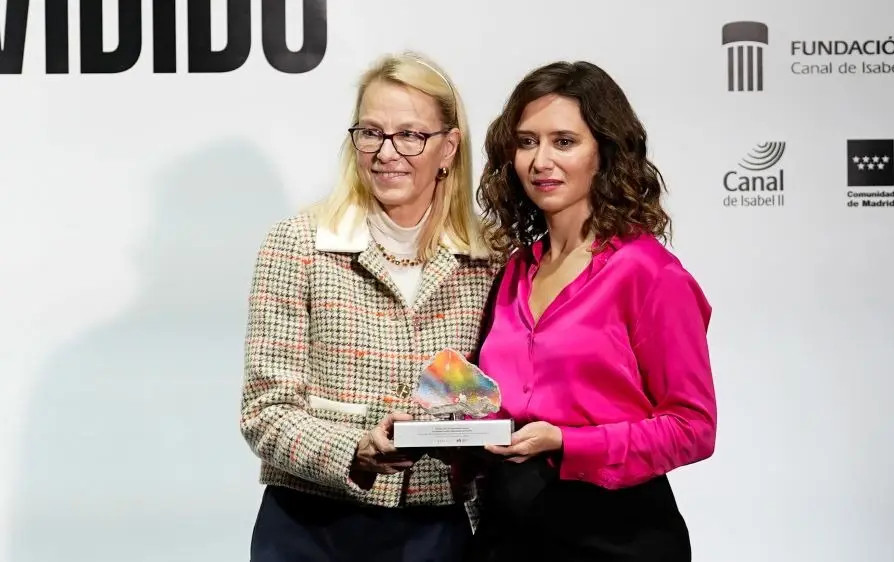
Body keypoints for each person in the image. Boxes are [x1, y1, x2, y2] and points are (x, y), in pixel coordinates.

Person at [239, 51, 498, 562]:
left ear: (449, 146)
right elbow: (264, 413)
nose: (386, 152)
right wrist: (356, 449)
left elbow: (490, 396)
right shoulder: (298, 245)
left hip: (437, 531)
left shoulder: (490, 259)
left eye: (410, 135)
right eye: (371, 132)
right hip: (311, 529)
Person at [460, 61, 718, 562]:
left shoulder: (649, 273)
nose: (540, 161)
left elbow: (693, 427)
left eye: (563, 141)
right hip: (506, 535)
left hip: (614, 534)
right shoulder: (514, 272)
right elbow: (500, 401)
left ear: (605, 152)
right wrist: (440, 422)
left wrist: (569, 443)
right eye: (527, 141)